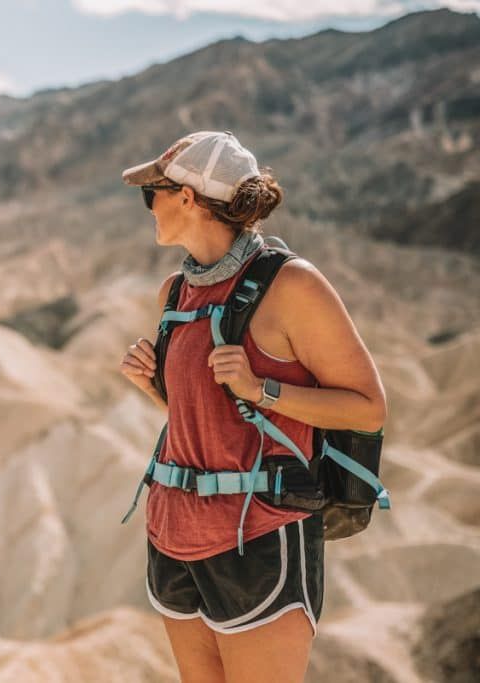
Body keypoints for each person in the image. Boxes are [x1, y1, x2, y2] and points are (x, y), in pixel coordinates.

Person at [117, 131, 387, 682]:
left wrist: (263, 389)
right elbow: (210, 416)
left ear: (187, 198)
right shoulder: (175, 291)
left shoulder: (291, 286)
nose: (150, 208)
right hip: (174, 534)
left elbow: (368, 408)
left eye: (154, 194)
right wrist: (154, 387)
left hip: (260, 537)